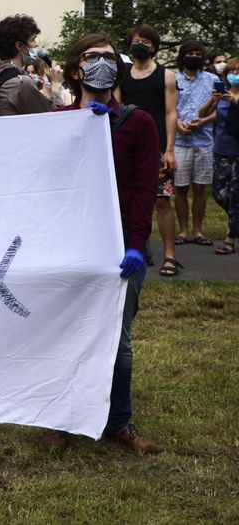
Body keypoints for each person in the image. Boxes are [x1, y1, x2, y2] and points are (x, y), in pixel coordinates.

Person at [43, 34, 161, 455]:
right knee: (62, 333)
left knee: (118, 339)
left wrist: (135, 244)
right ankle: (61, 419)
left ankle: (119, 421)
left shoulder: (139, 123)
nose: (102, 64)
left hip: (119, 249)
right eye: (93, 58)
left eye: (110, 58)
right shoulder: (56, 120)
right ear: (76, 70)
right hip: (69, 245)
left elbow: (145, 189)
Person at [119, 25, 181, 275]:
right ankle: (139, 247)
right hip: (128, 150)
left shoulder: (166, 75)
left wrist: (170, 150)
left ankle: (169, 255)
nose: (140, 44)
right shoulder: (122, 75)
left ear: (154, 46)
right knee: (130, 200)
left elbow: (170, 112)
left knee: (162, 201)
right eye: (135, 40)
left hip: (157, 150)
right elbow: (118, 108)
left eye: (144, 41)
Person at [172, 40, 220, 246]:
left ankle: (198, 231)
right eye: (190, 53)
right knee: (180, 188)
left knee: (200, 188)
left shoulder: (212, 79)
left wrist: (204, 121)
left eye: (198, 54)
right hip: (180, 141)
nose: (194, 57)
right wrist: (177, 124)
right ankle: (183, 231)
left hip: (204, 141)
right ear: (182, 56)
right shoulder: (171, 79)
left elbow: (222, 109)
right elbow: (167, 108)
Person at [201, 56, 239, 256]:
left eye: (238, 72)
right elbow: (203, 113)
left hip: (237, 152)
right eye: (232, 71)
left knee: (234, 197)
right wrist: (213, 100)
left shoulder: (232, 97)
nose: (235, 75)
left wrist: (233, 99)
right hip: (221, 150)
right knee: (219, 194)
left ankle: (229, 240)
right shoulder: (223, 94)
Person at [0, 15, 53, 116]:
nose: (36, 45)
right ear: (19, 46)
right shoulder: (21, 82)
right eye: (33, 39)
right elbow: (52, 115)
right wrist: (56, 84)